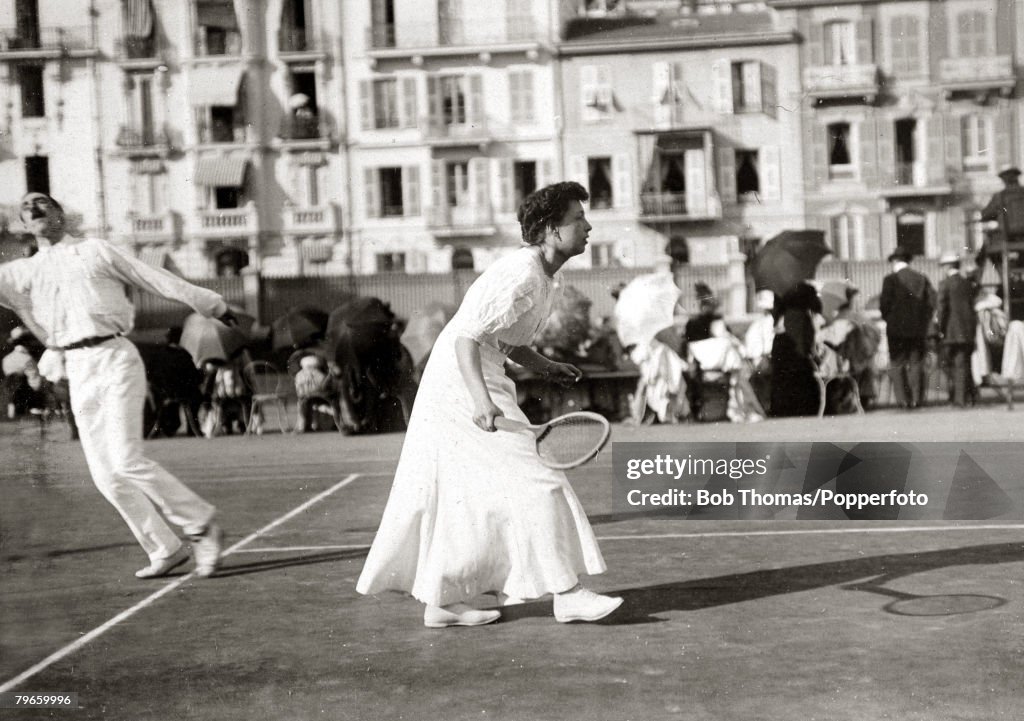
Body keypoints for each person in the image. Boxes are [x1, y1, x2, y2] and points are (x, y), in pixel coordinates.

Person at [357, 181, 622, 628]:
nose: (588, 226)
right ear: (551, 231)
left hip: (479, 378)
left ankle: (442, 601)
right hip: (462, 385)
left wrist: (544, 364)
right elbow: (466, 338)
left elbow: (503, 339)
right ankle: (568, 593)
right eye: (578, 220)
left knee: (472, 497)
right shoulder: (521, 273)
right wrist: (480, 402)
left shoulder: (545, 277)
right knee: (541, 480)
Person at [0, 192, 231, 579]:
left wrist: (211, 303)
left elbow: (153, 277)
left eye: (42, 204)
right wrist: (42, 330)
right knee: (106, 474)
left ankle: (201, 525)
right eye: (27, 209)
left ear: (60, 213)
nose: (35, 210)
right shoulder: (21, 272)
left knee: (126, 460)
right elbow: (15, 302)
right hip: (77, 367)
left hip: (115, 357)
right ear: (24, 225)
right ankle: (165, 548)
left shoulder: (95, 250)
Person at [879, 247, 936, 410]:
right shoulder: (921, 278)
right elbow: (931, 302)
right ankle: (917, 399)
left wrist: (890, 319)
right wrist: (923, 320)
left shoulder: (889, 280)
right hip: (918, 329)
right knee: (916, 362)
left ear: (895, 261)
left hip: (896, 329)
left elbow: (884, 305)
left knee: (897, 363)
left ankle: (903, 400)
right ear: (908, 261)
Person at [769, 282, 823, 417]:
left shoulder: (780, 292)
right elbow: (817, 307)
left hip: (783, 344)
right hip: (799, 341)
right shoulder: (805, 294)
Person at [936, 252, 980, 407]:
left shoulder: (945, 284)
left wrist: (939, 328)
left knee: (952, 364)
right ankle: (969, 394)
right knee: (964, 363)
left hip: (950, 331)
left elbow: (941, 309)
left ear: (947, 266)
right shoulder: (967, 283)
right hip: (967, 330)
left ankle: (959, 398)